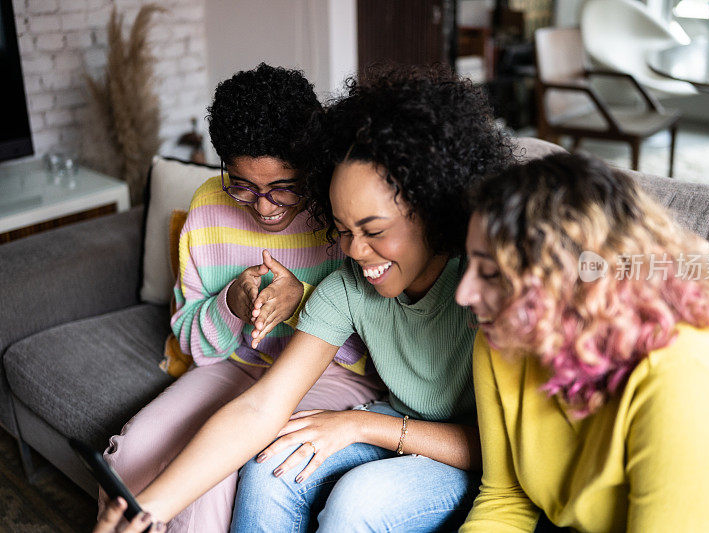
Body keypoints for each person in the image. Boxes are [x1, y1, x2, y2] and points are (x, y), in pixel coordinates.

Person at [106, 65, 511, 532]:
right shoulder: (346, 286)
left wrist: (360, 426)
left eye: (373, 231)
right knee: (272, 461)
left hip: (476, 456)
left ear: (433, 207)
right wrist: (145, 511)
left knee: (357, 500)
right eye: (342, 231)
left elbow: (508, 450)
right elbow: (260, 407)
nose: (355, 252)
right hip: (399, 419)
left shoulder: (484, 281)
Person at [100, 63, 381, 532]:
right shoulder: (209, 207)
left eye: (283, 187)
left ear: (310, 166)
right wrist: (230, 301)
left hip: (332, 371)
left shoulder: (339, 206)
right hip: (237, 364)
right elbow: (193, 344)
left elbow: (380, 343)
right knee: (131, 452)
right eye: (244, 186)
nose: (265, 207)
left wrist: (303, 303)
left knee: (212, 476)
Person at [455, 153, 709, 532]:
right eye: (471, 265)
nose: (463, 294)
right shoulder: (505, 337)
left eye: (492, 273)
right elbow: (505, 499)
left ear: (574, 283)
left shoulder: (683, 382)